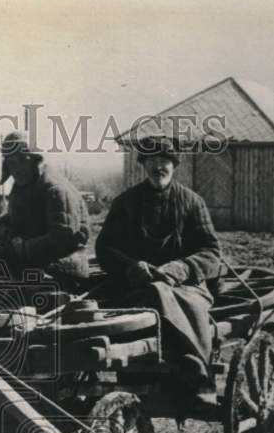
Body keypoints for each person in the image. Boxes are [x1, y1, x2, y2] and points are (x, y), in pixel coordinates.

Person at [95, 135, 222, 404]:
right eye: (151, 161)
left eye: (164, 161)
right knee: (135, 305)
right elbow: (104, 248)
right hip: (135, 288)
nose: (158, 167)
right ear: (143, 165)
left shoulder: (191, 202)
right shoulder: (125, 203)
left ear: (174, 165)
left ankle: (197, 371)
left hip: (185, 288)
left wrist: (180, 268)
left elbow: (212, 253)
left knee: (179, 300)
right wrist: (131, 267)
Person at [0, 131, 90, 286]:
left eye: (22, 160)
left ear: (35, 161)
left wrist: (24, 248)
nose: (17, 168)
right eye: (11, 163)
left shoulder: (55, 189)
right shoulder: (23, 187)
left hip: (61, 269)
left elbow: (64, 237)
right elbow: (24, 219)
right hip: (32, 261)